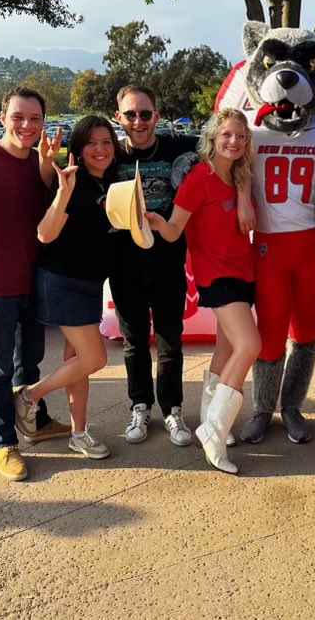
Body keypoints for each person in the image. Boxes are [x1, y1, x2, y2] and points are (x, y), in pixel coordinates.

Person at [0, 88, 70, 482]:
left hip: (31, 280)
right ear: (3, 117)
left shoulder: (37, 162)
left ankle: (33, 423)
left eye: (34, 119)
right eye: (18, 117)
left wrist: (47, 164)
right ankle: (5, 443)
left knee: (31, 360)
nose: (26, 125)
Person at [146, 108, 260, 474]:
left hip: (243, 270)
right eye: (227, 135)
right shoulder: (199, 178)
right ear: (212, 137)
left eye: (240, 136)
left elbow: (241, 187)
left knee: (227, 347)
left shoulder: (239, 175)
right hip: (217, 274)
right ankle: (213, 428)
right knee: (249, 345)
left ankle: (215, 420)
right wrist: (156, 222)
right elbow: (175, 230)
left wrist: (243, 194)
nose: (234, 141)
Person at [13, 116, 121, 459]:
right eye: (91, 143)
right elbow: (45, 234)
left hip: (91, 283)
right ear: (79, 147)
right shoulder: (72, 180)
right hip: (61, 282)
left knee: (78, 360)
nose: (100, 149)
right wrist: (63, 194)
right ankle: (27, 397)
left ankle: (79, 433)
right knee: (95, 358)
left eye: (106, 142)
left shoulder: (115, 180)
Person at [109, 86, 198, 448]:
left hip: (168, 264)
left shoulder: (179, 147)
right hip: (124, 266)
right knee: (133, 343)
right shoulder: (108, 154)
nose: (138, 121)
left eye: (145, 114)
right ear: (119, 118)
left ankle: (173, 408)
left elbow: (228, 143)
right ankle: (140, 405)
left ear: (157, 116)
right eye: (130, 115)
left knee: (169, 343)